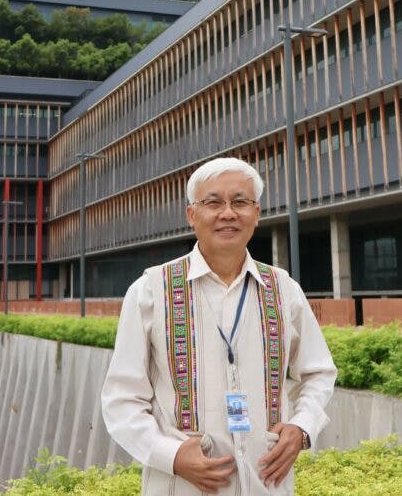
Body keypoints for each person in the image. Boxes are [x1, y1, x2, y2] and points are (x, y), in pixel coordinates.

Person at [102, 157, 337, 495]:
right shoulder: (151, 291)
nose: (228, 213)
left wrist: (302, 427)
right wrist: (172, 455)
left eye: (240, 202)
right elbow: (121, 399)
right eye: (213, 202)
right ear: (192, 215)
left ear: (256, 214)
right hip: (181, 487)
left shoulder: (284, 289)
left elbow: (318, 373)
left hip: (267, 484)